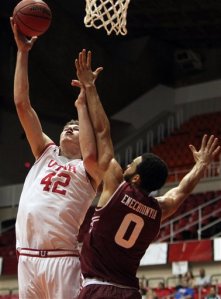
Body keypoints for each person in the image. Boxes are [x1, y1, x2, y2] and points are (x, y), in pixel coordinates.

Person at [73, 49, 221, 299]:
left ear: (136, 178)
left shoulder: (116, 187)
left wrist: (90, 88)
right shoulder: (159, 209)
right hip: (130, 292)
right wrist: (201, 165)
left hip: (97, 287)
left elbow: (101, 132)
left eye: (133, 163)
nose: (128, 163)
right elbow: (181, 191)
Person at [10, 19, 110, 299]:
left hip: (62, 260)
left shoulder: (90, 169)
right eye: (68, 126)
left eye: (77, 128)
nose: (70, 128)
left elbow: (91, 152)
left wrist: (82, 105)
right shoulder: (46, 151)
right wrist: (23, 52)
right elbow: (21, 104)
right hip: (26, 258)